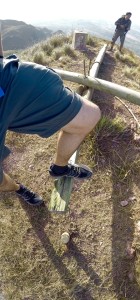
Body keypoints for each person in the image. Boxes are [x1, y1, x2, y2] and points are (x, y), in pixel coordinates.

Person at [0, 25, 101, 206]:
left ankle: (59, 168)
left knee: (90, 114)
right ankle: (17, 188)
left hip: (14, 82)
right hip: (11, 93)